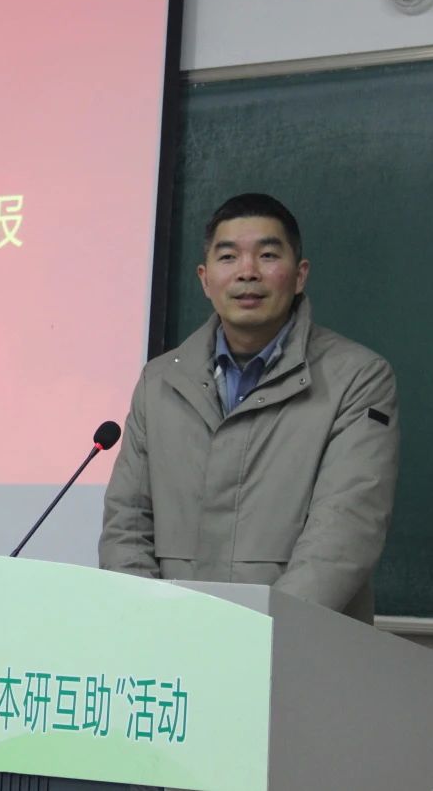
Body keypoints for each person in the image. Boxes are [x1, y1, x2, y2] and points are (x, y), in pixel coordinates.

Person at [99, 193, 398, 623]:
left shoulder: (357, 379)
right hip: (171, 644)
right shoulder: (159, 382)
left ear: (300, 275)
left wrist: (255, 636)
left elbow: (345, 535)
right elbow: (126, 524)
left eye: (268, 255)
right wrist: (151, 623)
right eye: (228, 257)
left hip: (296, 647)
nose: (247, 272)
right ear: (205, 279)